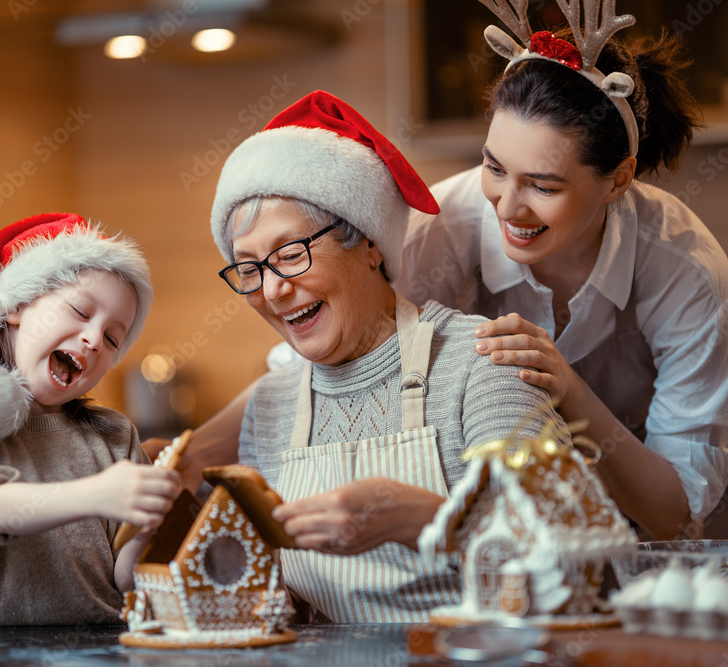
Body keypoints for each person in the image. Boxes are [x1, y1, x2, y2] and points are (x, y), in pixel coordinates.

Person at [208, 90, 571, 623]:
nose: (274, 290)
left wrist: (428, 520)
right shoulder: (271, 405)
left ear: (370, 243)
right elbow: (272, 597)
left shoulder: (483, 363)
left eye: (289, 254)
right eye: (250, 268)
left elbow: (564, 560)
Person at [395, 6, 728, 541]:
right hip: (467, 547)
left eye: (544, 186)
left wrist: (569, 391)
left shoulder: (687, 272)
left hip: (632, 560)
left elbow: (674, 515)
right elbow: (340, 371)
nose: (508, 207)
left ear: (618, 179)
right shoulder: (438, 230)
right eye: (493, 167)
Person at [0, 213, 180, 626]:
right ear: (18, 306)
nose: (94, 340)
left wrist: (150, 524)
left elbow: (126, 579)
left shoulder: (116, 435)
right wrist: (97, 494)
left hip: (104, 650)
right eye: (80, 310)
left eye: (113, 338)